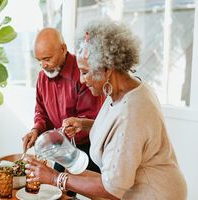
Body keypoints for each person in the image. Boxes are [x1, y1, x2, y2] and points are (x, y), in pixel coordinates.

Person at [24, 19, 187, 200]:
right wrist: (84, 125)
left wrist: (55, 178)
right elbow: (118, 131)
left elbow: (111, 188)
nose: (83, 80)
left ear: (107, 69)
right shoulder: (121, 91)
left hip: (155, 194)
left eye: (85, 72)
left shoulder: (132, 111)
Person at [22, 27, 104, 194]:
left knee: (95, 194)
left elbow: (90, 119)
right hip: (61, 148)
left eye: (47, 59)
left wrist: (58, 136)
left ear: (63, 49)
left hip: (88, 150)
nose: (43, 65)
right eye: (39, 60)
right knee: (59, 194)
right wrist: (36, 129)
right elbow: (41, 111)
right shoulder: (42, 76)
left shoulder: (84, 73)